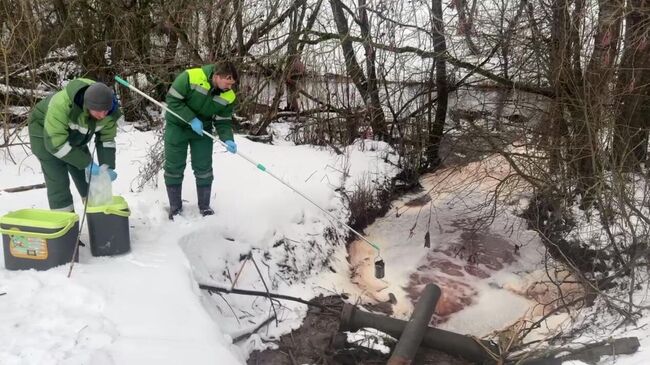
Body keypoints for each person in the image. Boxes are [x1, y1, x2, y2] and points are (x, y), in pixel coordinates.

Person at [28, 79, 121, 212]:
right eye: (98, 111)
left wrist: (107, 166)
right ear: (87, 106)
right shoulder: (61, 105)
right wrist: (86, 163)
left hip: (75, 135)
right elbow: (56, 144)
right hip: (45, 134)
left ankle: (96, 213)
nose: (102, 115)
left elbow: (107, 140)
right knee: (58, 179)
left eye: (105, 111)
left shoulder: (109, 112)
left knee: (87, 176)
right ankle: (64, 222)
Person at [164, 60, 238, 219]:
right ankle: (175, 208)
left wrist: (228, 139)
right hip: (177, 125)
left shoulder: (228, 95)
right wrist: (190, 119)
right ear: (217, 76)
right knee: (174, 166)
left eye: (232, 84)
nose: (229, 88)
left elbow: (223, 120)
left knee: (204, 167)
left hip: (202, 129)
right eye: (227, 83)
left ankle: (204, 206)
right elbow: (172, 100)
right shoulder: (190, 77)